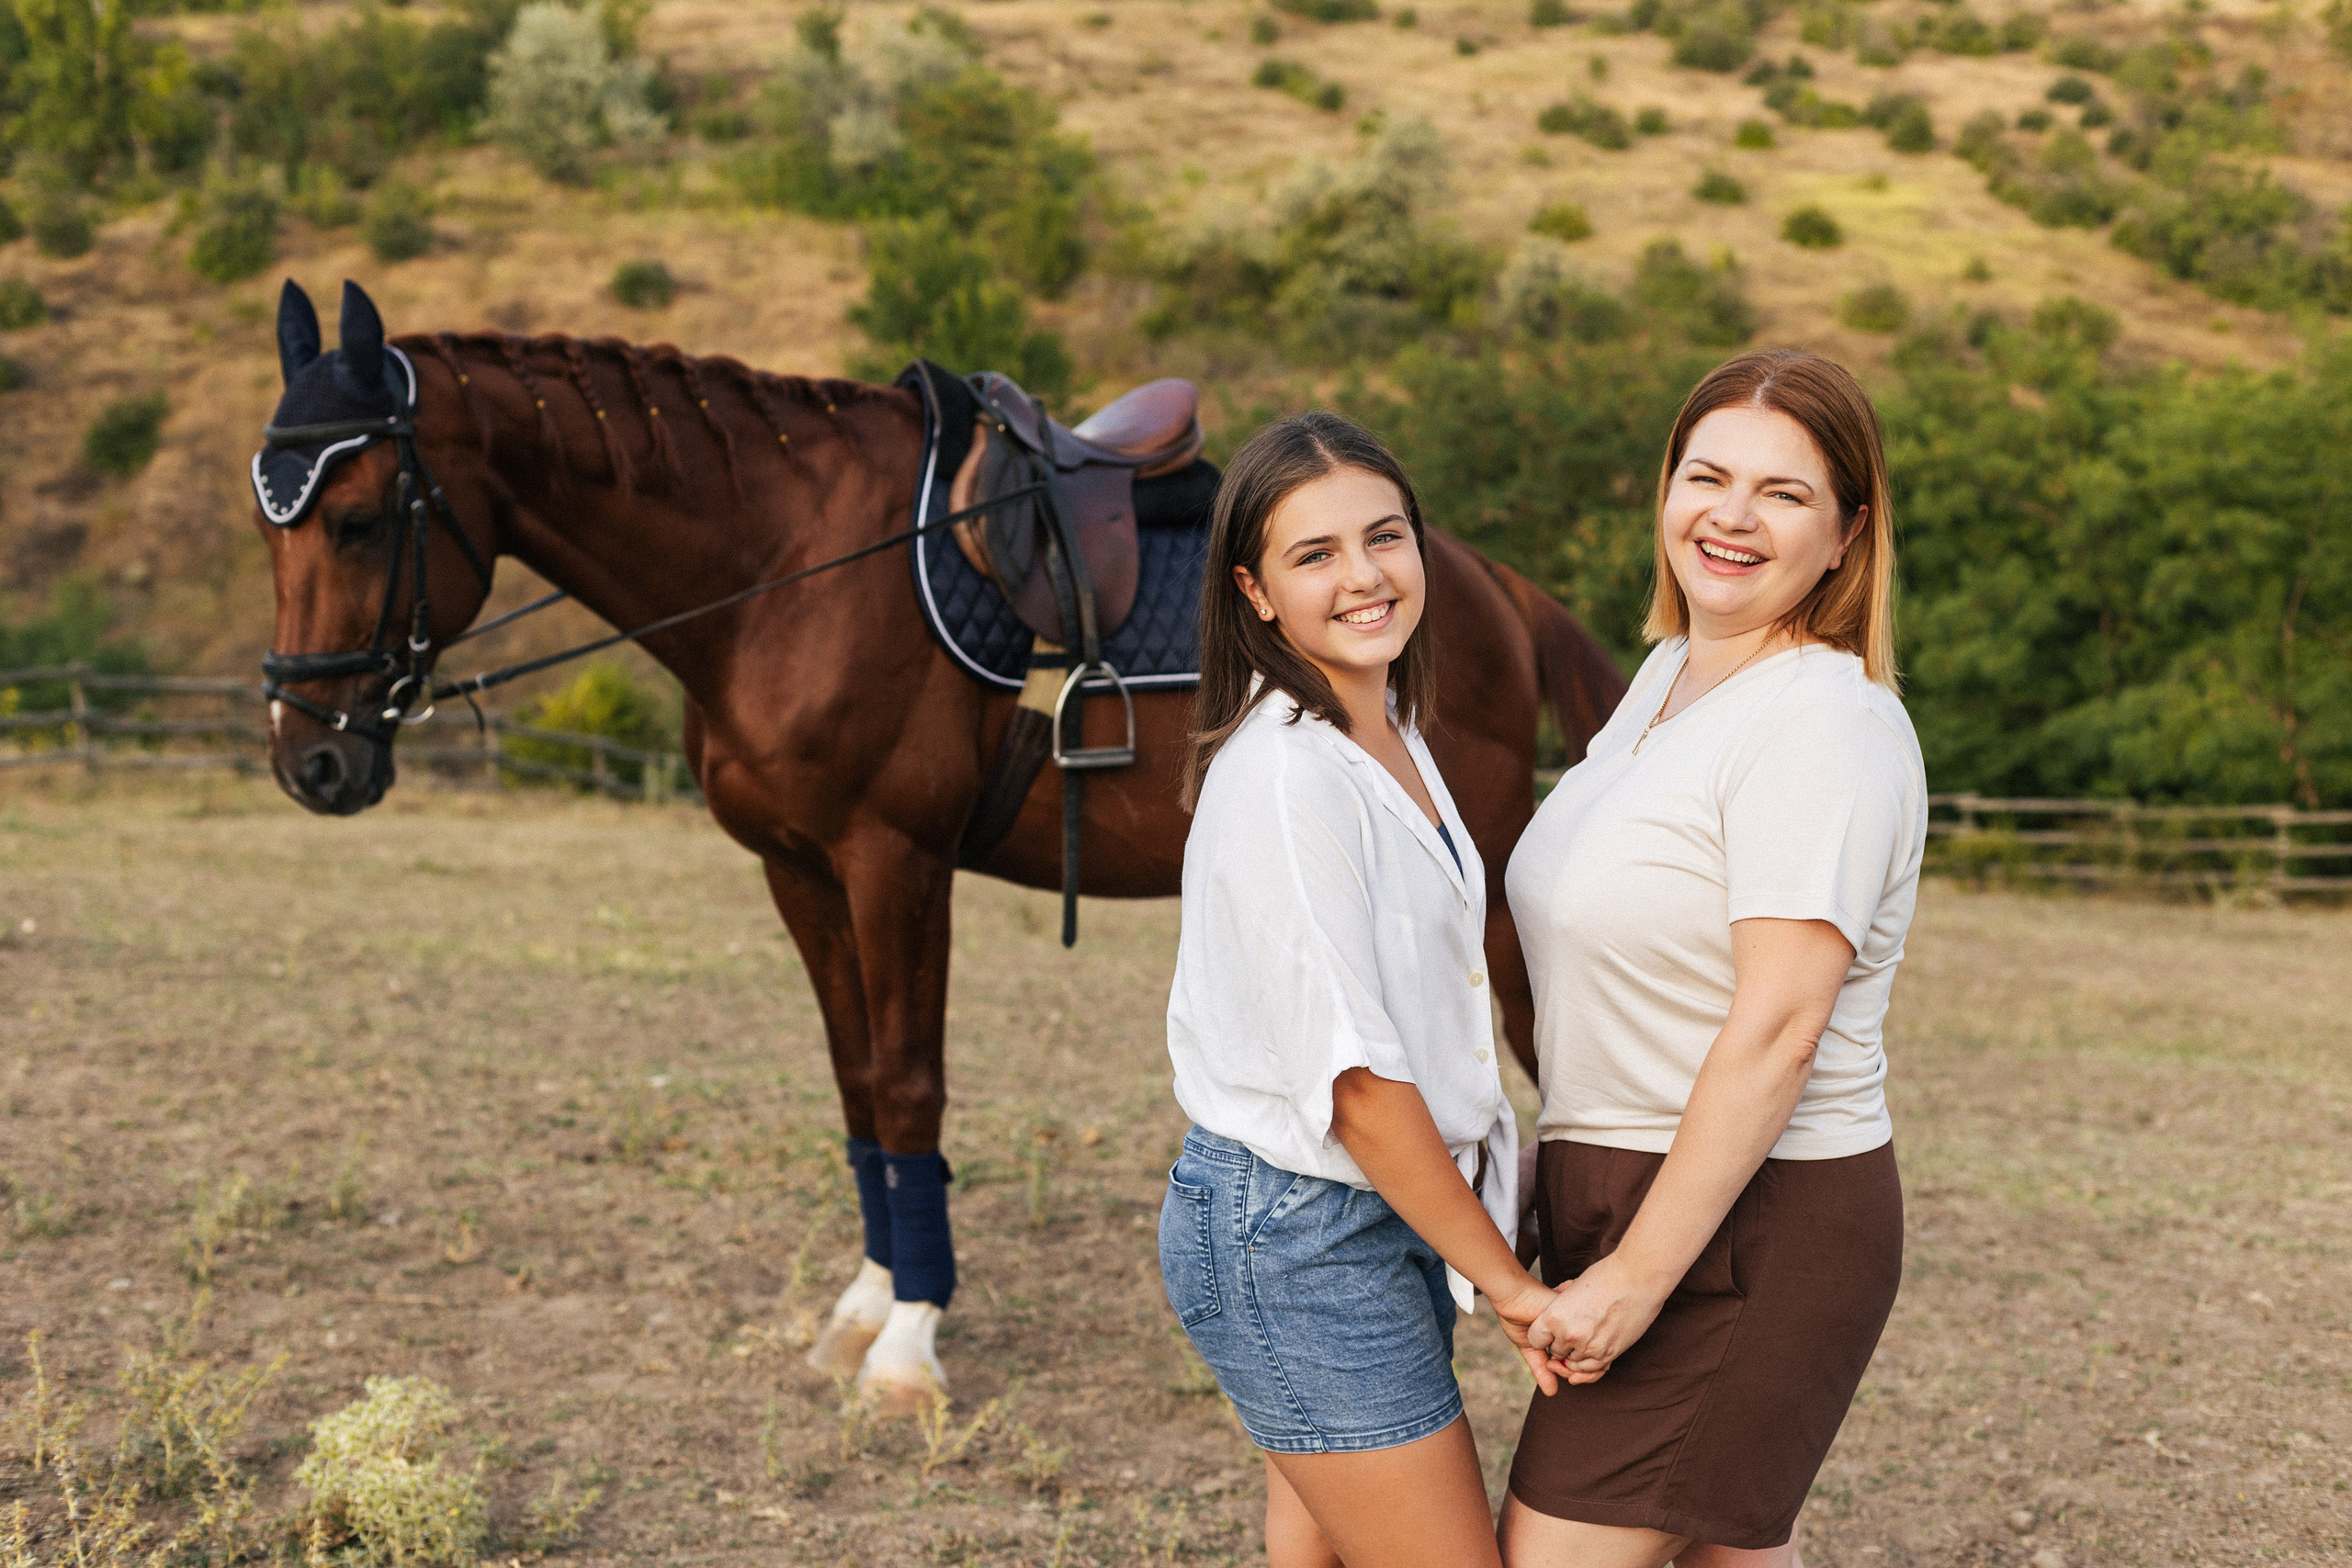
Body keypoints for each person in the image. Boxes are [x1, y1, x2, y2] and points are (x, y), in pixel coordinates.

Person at [1500, 350, 1928, 1568]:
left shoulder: (1824, 721)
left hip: (1748, 1223)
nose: (1732, 516)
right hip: (1627, 1190)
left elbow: (1780, 1027)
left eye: (1784, 494)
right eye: (1707, 475)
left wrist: (1637, 1273)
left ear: (1849, 531)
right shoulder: (1664, 682)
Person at [1159, 412, 1562, 1568]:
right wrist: (1511, 1289)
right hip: (1299, 1228)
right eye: (1314, 555)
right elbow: (1359, 1086)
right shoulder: (1288, 776)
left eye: (1383, 537)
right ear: (1255, 593)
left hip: (1367, 1213)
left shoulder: (1388, 731)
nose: (1363, 576)